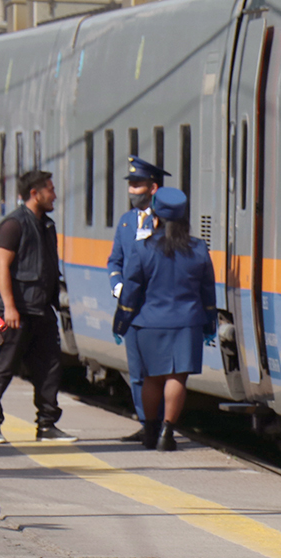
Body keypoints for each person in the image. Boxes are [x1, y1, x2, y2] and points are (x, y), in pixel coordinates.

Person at [113, 187, 216, 452]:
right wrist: (210, 324)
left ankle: (149, 431)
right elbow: (207, 289)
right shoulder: (198, 248)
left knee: (152, 378)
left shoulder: (142, 249)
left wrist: (121, 323)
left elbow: (132, 290)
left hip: (148, 323)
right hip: (186, 324)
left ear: (155, 218)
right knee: (176, 379)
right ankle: (168, 433)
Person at [0, 169, 74, 444]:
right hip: (14, 311)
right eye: (50, 189)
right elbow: (1, 265)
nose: (54, 194)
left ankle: (47, 425)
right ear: (34, 193)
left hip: (41, 308)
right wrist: (9, 307)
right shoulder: (13, 225)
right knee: (1, 369)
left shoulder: (47, 225)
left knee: (50, 367)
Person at [107, 155, 169, 443]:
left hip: (158, 307)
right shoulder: (125, 222)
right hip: (132, 307)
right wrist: (117, 286)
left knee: (161, 371)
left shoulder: (167, 222)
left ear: (153, 187)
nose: (132, 190)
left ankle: (162, 425)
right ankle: (146, 424)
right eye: (130, 185)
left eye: (137, 184)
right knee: (137, 371)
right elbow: (114, 261)